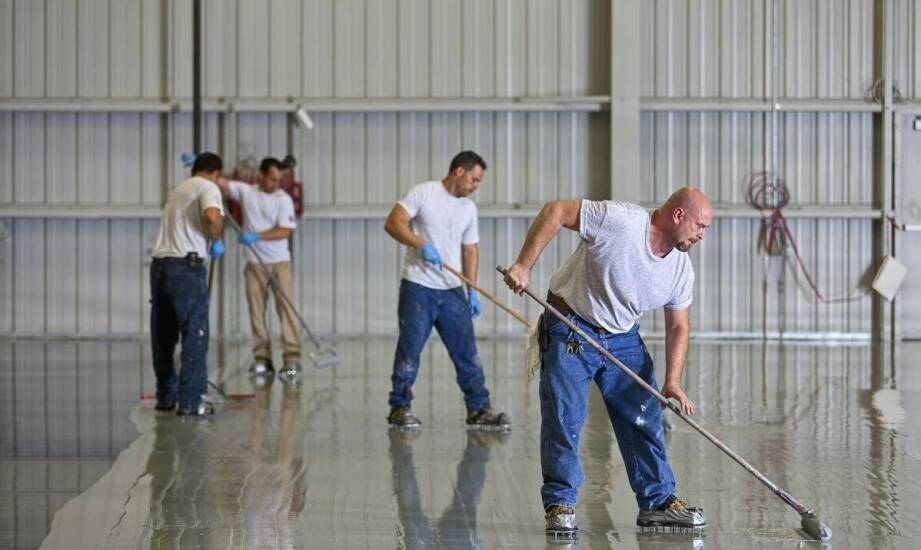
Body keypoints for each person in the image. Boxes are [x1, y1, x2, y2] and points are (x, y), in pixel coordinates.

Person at [503, 188, 713, 537]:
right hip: (571, 324)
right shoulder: (621, 221)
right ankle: (560, 503)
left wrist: (672, 381)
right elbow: (556, 210)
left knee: (643, 414)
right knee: (565, 416)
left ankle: (657, 502)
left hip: (622, 336)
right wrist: (524, 265)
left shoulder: (680, 270)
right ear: (678, 215)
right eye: (700, 225)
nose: (702, 235)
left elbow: (679, 326)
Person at [383, 151, 510, 430]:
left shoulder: (468, 209)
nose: (476, 186)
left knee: (467, 353)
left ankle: (479, 409)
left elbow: (470, 250)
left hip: (453, 290)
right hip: (418, 286)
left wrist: (472, 290)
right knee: (409, 350)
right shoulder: (424, 193)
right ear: (459, 171)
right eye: (474, 179)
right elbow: (393, 223)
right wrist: (420, 243)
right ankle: (399, 407)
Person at [149, 152, 226, 417]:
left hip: (160, 267)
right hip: (186, 267)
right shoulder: (208, 187)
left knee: (163, 335)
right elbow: (213, 217)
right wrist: (216, 239)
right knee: (195, 333)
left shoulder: (179, 190)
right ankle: (192, 401)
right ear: (216, 172)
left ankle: (166, 397)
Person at [217, 157, 301, 384]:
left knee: (286, 310)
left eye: (279, 180)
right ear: (261, 175)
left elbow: (285, 231)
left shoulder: (283, 199)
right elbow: (220, 183)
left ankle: (291, 361)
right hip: (254, 263)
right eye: (272, 179)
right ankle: (262, 359)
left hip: (280, 262)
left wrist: (257, 236)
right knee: (256, 312)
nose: (276, 184)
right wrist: (200, 167)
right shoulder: (247, 192)